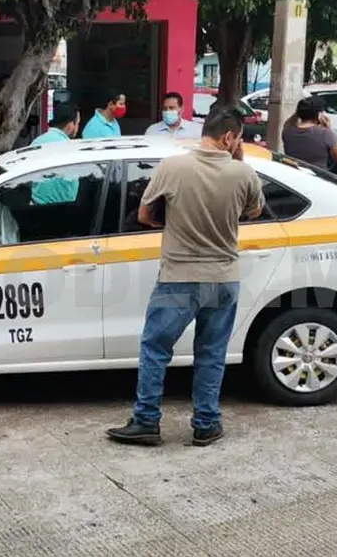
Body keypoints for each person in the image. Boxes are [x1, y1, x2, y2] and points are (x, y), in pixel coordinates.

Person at [106, 107, 264, 448]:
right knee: (211, 352)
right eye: (238, 138)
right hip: (224, 278)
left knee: (155, 347)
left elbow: (146, 214)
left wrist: (174, 222)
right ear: (229, 138)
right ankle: (206, 424)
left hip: (179, 276)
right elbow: (253, 211)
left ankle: (147, 420)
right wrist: (240, 158)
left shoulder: (173, 167)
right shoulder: (243, 174)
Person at [281, 96, 337, 169]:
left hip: (294, 174)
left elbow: (287, 123)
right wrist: (328, 129)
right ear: (319, 115)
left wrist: (300, 112)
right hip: (316, 177)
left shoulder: (288, 132)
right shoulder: (324, 133)